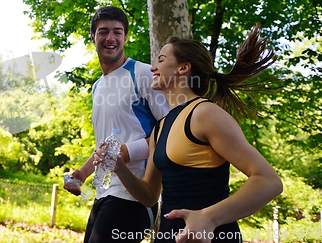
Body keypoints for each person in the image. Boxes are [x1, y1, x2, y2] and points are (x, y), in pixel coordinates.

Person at [111, 25, 283, 243]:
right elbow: (149, 195)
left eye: (161, 60)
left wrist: (209, 218)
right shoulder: (160, 128)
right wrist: (120, 168)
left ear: (183, 68)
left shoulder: (205, 114)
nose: (153, 68)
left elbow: (268, 181)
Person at [64, 6, 169, 243]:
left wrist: (128, 151)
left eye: (117, 32)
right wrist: (82, 173)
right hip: (105, 193)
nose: (110, 38)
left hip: (136, 195)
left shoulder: (142, 73)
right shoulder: (97, 87)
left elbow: (170, 129)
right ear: (92, 37)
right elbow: (107, 147)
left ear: (125, 37)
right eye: (103, 32)